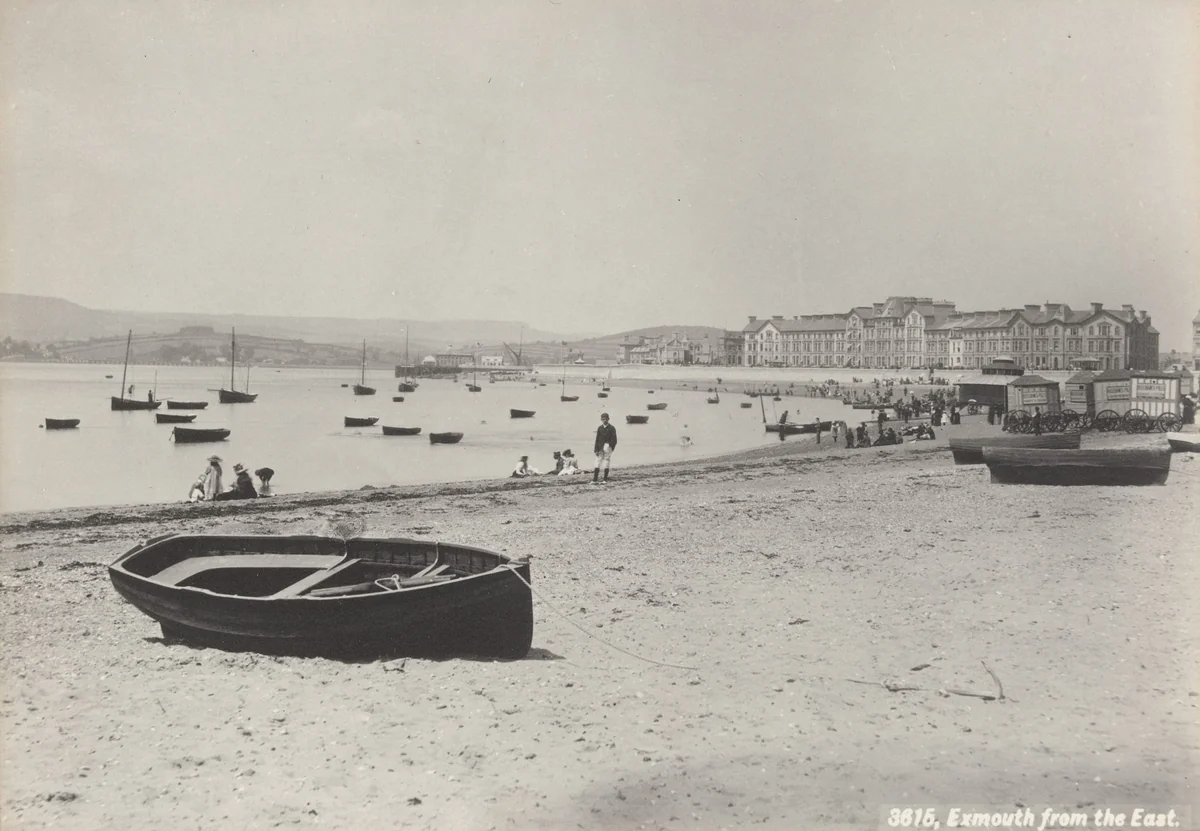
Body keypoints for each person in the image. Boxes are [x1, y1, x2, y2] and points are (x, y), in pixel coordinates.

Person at [592, 413, 617, 484]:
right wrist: (596, 449)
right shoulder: (600, 428)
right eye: (603, 419)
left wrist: (610, 447)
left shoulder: (612, 428)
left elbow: (614, 440)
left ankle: (605, 479)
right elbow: (597, 439)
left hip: (607, 447)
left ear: (608, 419)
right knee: (597, 461)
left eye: (605, 419)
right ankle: (595, 479)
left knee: (606, 461)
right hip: (600, 447)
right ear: (601, 419)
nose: (604, 420)